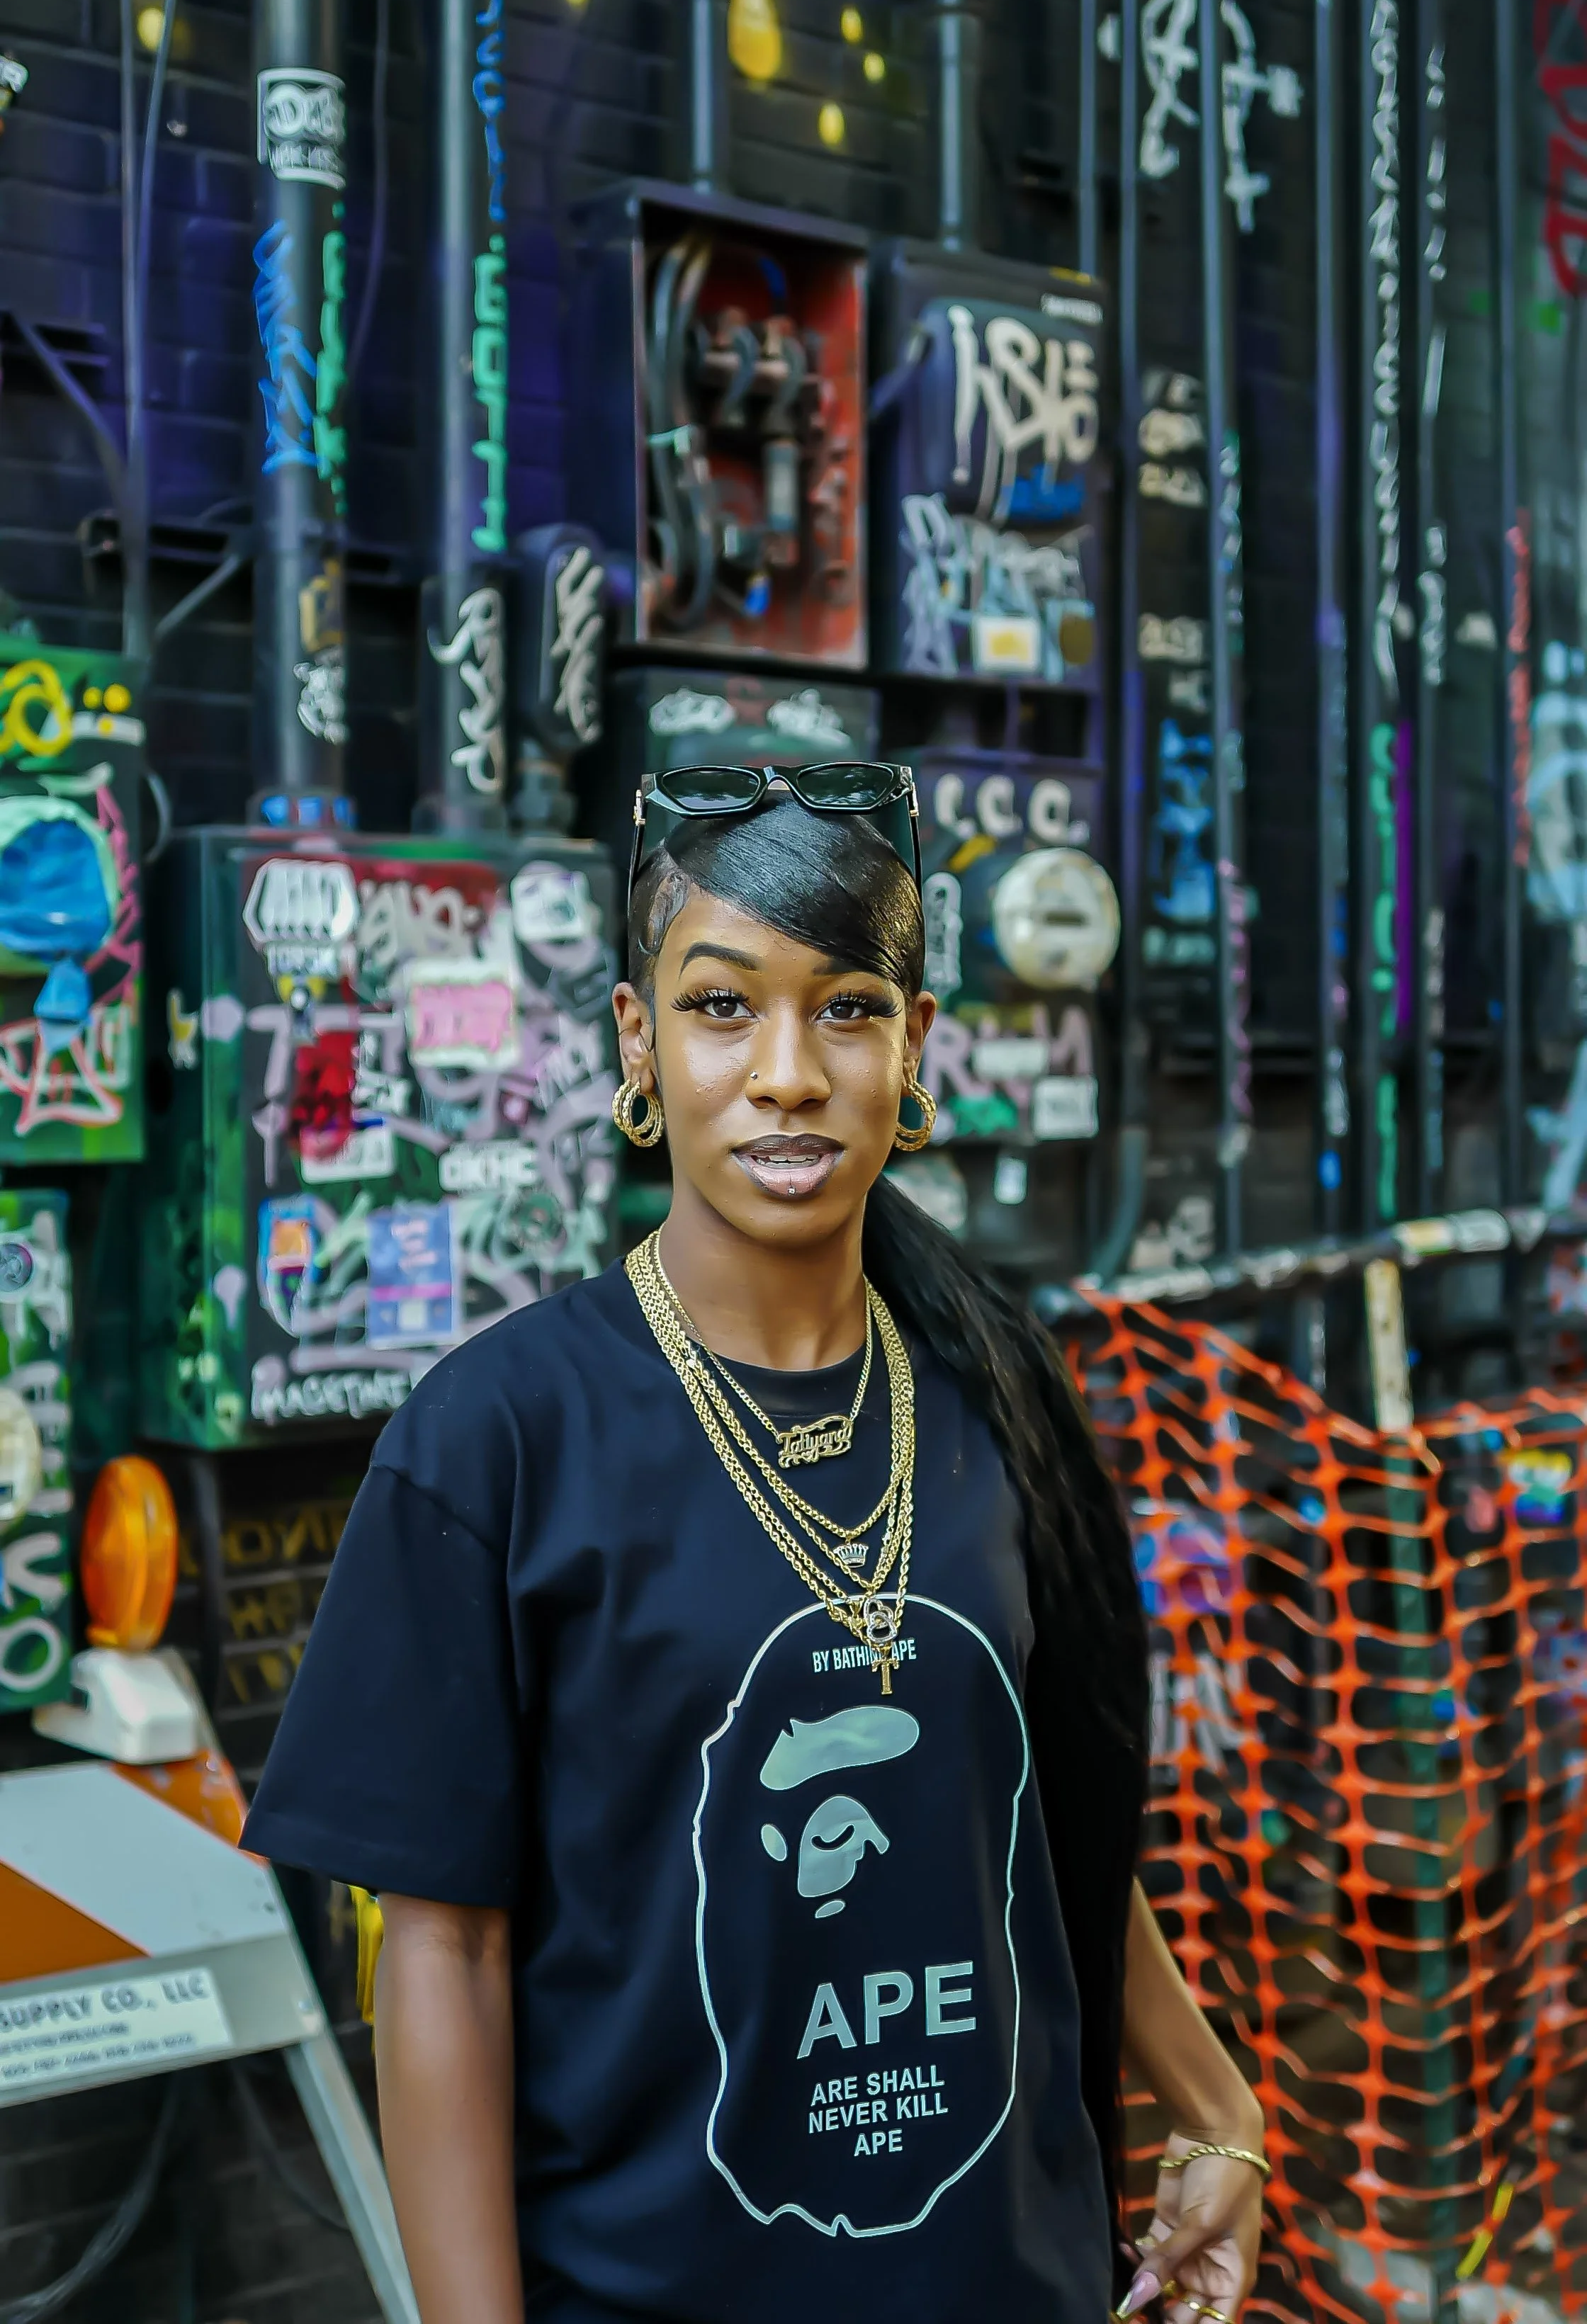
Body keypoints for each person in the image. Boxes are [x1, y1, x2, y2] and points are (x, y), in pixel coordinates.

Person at [244, 767, 1267, 2324]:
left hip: (1013, 2281)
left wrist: (1212, 2107)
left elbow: (1032, 1818)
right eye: (722, 1008)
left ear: (912, 1048)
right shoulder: (496, 1443)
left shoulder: (996, 1401)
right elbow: (438, 1958)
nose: (787, 1072)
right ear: (637, 1042)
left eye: (846, 1009)